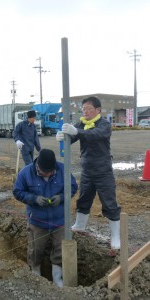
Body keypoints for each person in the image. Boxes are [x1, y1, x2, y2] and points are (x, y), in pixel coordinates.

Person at [56, 96, 121, 249]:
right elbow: (72, 138)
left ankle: (116, 237)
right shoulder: (82, 124)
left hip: (103, 171)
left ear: (97, 110)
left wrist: (76, 131)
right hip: (87, 171)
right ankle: (79, 225)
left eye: (88, 109)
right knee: (84, 199)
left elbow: (95, 135)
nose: (84, 111)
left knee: (109, 203)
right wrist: (62, 137)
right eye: (83, 109)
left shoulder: (104, 124)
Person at [13, 149, 78, 287]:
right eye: (45, 172)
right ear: (38, 166)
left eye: (50, 171)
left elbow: (73, 187)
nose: (48, 174)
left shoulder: (62, 169)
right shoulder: (26, 173)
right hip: (37, 221)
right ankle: (36, 277)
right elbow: (17, 192)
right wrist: (34, 198)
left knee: (59, 249)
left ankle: (57, 278)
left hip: (60, 220)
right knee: (36, 250)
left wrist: (61, 197)